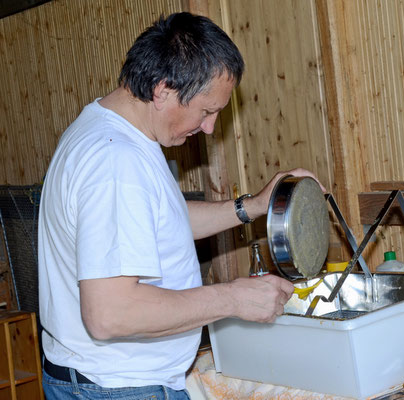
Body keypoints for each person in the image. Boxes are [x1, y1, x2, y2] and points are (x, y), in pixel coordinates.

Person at [38, 12, 321, 400]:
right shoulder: (116, 163)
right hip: (120, 388)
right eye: (206, 111)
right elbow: (110, 314)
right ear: (163, 89)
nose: (208, 127)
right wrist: (233, 298)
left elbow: (160, 221)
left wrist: (252, 206)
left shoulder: (114, 131)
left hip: (111, 381)